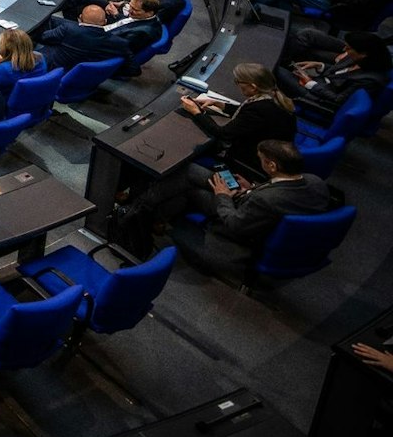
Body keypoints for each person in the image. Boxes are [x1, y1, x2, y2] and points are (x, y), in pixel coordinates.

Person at [167, 141, 334, 281]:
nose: (259, 161)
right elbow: (281, 192)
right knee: (193, 176)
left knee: (191, 188)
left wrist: (223, 196)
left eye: (261, 159)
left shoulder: (265, 200)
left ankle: (153, 212)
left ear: (272, 166)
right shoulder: (316, 182)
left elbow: (235, 224)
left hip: (240, 228)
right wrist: (253, 187)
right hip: (263, 216)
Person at [277, 31, 390, 117]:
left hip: (319, 98)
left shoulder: (369, 81)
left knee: (275, 69)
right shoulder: (358, 57)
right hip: (320, 82)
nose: (345, 49)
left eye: (349, 48)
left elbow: (338, 100)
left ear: (363, 54)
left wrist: (310, 83)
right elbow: (341, 73)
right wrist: (320, 65)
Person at [0, 26, 45, 98]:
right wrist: (4, 60)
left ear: (5, 49)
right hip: (34, 96)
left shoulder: (5, 69)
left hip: (10, 102)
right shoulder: (39, 56)